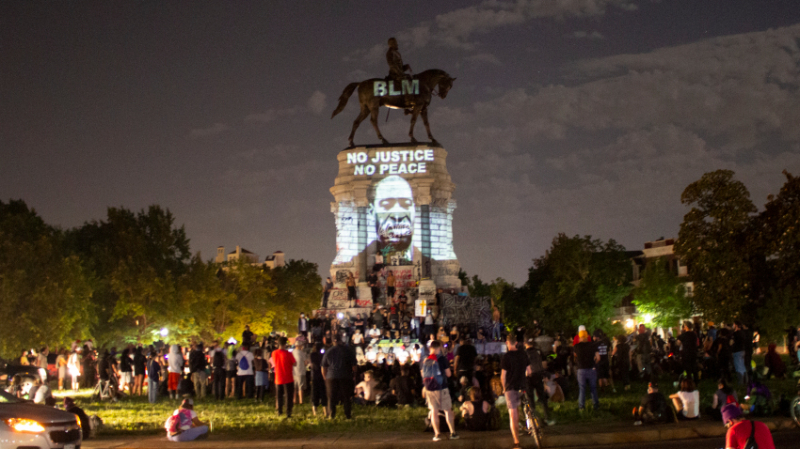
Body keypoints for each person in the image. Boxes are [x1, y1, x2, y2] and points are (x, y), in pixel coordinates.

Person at [422, 340, 459, 441]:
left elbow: (423, 375)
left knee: (434, 411)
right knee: (448, 410)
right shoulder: (442, 359)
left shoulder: (425, 360)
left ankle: (437, 434)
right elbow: (448, 374)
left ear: (431, 348)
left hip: (430, 389)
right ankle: (452, 433)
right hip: (442, 388)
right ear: (439, 348)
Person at [322, 336, 358, 419]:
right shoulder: (348, 351)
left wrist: (325, 377)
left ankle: (331, 415)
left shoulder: (328, 351)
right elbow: (354, 367)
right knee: (346, 397)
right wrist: (354, 375)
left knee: (331, 397)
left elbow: (323, 367)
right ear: (342, 341)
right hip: (345, 376)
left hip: (331, 376)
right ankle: (347, 415)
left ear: (334, 342)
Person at [524, 335, 553, 425]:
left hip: (528, 377)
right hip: (538, 375)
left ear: (525, 343)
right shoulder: (538, 351)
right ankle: (547, 417)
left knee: (530, 399)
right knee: (543, 397)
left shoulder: (524, 353)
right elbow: (544, 364)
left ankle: (534, 419)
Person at [574, 330, 600, 411]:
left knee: (582, 389)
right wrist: (594, 363)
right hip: (591, 369)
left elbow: (575, 357)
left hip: (581, 370)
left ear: (580, 337)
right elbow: (598, 358)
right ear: (587, 337)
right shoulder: (593, 345)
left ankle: (581, 407)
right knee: (593, 388)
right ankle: (596, 405)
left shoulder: (576, 346)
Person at [271, 337, 296, 417]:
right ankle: (288, 412)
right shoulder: (288, 354)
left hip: (278, 378)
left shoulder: (274, 353)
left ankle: (279, 411)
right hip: (288, 378)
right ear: (285, 344)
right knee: (288, 396)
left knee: (279, 396)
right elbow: (294, 363)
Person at [309, 342, 327, 416]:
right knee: (323, 394)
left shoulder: (312, 355)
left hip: (315, 376)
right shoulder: (323, 355)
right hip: (322, 376)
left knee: (314, 394)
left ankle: (314, 412)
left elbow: (312, 364)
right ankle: (325, 412)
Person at [293, 341, 309, 405]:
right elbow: (305, 363)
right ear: (299, 346)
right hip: (301, 372)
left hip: (293, 372)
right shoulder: (302, 353)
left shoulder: (292, 353)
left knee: (294, 387)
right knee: (300, 387)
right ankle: (301, 401)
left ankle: (294, 400)